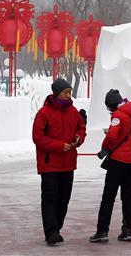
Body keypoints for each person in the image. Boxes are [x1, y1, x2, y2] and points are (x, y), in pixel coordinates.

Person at [32, 78, 86, 245]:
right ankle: (51, 231)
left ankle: (56, 226)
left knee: (64, 198)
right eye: (65, 92)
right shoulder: (44, 113)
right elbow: (38, 137)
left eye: (70, 92)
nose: (69, 95)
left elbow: (81, 128)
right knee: (50, 198)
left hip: (68, 163)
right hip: (50, 165)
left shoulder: (73, 111)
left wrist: (79, 138)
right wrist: (58, 146)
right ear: (56, 93)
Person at [90, 89, 131, 243]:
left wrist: (105, 144)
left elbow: (113, 135)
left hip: (118, 160)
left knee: (108, 197)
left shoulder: (117, 116)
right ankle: (127, 231)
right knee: (128, 196)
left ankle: (102, 231)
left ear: (111, 106)